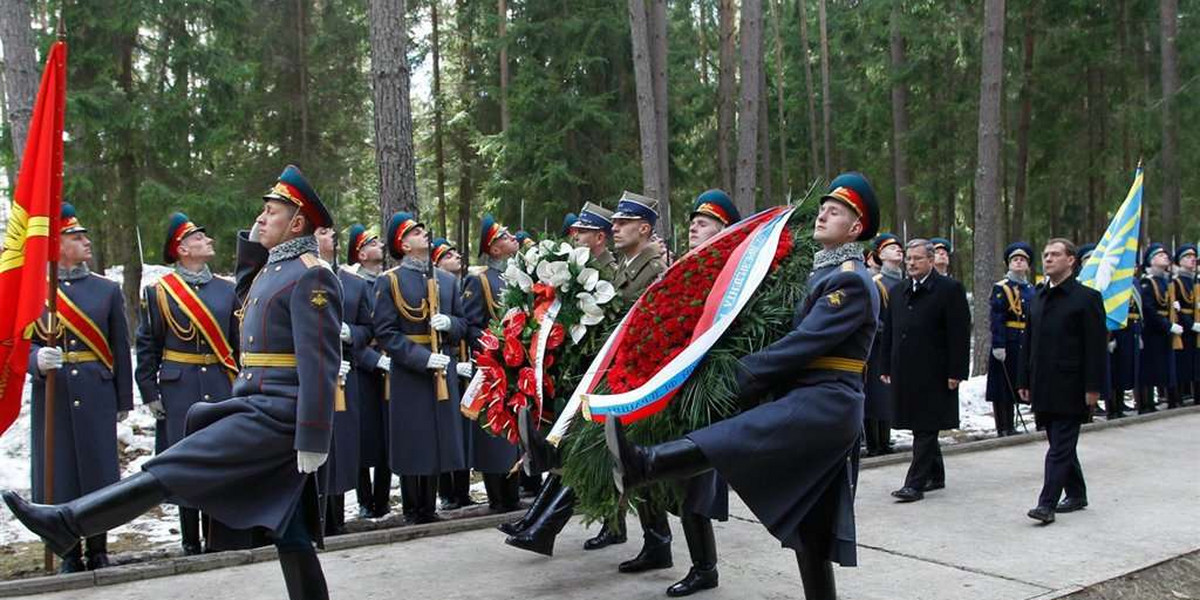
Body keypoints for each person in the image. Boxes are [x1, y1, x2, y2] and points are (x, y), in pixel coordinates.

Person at [6, 165, 342, 599]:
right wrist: (256, 242)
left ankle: (68, 523)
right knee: (290, 530)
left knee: (172, 467)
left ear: (297, 224)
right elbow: (243, 289)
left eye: (271, 212)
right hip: (253, 404)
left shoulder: (310, 274)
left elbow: (320, 361)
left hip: (278, 414)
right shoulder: (272, 269)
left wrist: (313, 435)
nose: (260, 218)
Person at [605, 172, 881, 600]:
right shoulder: (820, 275)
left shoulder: (851, 280)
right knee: (811, 529)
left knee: (734, 437)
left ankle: (645, 463)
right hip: (810, 397)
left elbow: (805, 343)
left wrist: (742, 376)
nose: (823, 214)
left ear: (857, 228)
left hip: (827, 402)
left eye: (837, 211)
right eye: (823, 207)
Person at [504, 193, 667, 557]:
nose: (616, 228)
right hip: (614, 375)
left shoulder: (653, 267)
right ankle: (652, 542)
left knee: (614, 456)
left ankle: (654, 542)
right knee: (612, 457)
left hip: (636, 379)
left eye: (623, 223)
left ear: (644, 229)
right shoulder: (630, 265)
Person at [136, 212, 258, 554]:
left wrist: (244, 383)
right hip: (180, 388)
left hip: (221, 383)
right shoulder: (159, 293)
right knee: (184, 462)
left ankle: (220, 534)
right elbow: (148, 345)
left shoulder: (226, 290)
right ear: (182, 249)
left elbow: (238, 344)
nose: (210, 242)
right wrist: (150, 391)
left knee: (221, 460)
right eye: (200, 238)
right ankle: (190, 538)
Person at [22, 204, 132, 572]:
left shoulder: (106, 290)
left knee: (98, 472)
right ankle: (68, 551)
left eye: (85, 236)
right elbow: (14, 343)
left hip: (97, 391)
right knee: (60, 472)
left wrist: (123, 398)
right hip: (52, 393)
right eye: (76, 237)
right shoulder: (34, 292)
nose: (86, 242)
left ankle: (98, 546)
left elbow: (119, 346)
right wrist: (35, 360)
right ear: (57, 244)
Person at [651, 189, 743, 597]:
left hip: (708, 389)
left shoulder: (732, 272)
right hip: (677, 384)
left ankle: (705, 568)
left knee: (696, 486)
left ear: (724, 231)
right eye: (693, 221)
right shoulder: (686, 268)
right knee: (678, 480)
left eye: (704, 223)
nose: (693, 226)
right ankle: (689, 560)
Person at [372, 212, 470, 525]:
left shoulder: (446, 280)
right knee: (414, 438)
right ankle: (413, 508)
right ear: (402, 244)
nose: (423, 235)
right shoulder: (389, 281)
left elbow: (464, 323)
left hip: (443, 363)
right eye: (415, 232)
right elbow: (386, 332)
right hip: (411, 369)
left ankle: (431, 505)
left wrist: (450, 324)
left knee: (438, 437)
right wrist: (420, 358)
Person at [1019, 239, 1106, 524]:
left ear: (1071, 260)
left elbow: (1095, 348)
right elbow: (1028, 342)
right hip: (1043, 383)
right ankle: (1077, 493)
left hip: (1072, 385)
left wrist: (1093, 388)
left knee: (1059, 448)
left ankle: (1047, 504)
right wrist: (1024, 378)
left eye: (1055, 254)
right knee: (1059, 442)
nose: (1048, 259)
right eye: (1045, 255)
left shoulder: (1087, 298)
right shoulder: (1038, 296)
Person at [881, 238, 970, 503]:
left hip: (936, 370)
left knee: (926, 425)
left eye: (917, 259)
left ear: (931, 261)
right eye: (908, 259)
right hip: (906, 369)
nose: (911, 263)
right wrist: (886, 364)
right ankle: (936, 475)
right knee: (920, 424)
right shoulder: (898, 291)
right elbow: (890, 331)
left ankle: (914, 483)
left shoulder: (949, 289)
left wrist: (957, 371)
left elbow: (959, 333)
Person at [463, 218, 523, 512]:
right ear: (495, 248)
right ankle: (498, 496)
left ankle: (515, 491)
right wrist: (495, 345)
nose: (513, 238)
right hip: (493, 363)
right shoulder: (481, 280)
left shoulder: (520, 276)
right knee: (494, 429)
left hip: (518, 362)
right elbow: (471, 324)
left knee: (515, 428)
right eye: (506, 236)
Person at [314, 227, 368, 536]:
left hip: (346, 374)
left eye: (333, 231)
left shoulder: (354, 284)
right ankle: (317, 517)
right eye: (322, 231)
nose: (331, 235)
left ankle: (337, 516)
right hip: (312, 374)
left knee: (342, 446)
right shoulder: (297, 275)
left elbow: (369, 328)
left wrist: (352, 334)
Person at [345, 224, 393, 519]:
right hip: (364, 367)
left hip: (391, 362)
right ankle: (365, 499)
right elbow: (358, 332)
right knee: (365, 436)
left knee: (388, 434)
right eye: (372, 243)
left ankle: (383, 498)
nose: (379, 245)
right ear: (361, 254)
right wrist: (371, 359)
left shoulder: (389, 282)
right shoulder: (352, 286)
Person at [431, 237, 479, 511]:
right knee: (446, 430)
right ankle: (446, 492)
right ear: (437, 263)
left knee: (464, 429)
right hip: (445, 361)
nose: (455, 256)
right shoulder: (435, 287)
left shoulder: (464, 285)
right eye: (447, 255)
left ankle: (462, 490)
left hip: (465, 364)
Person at [986, 242, 1035, 437]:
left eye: (1023, 260)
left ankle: (1012, 424)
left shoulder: (1031, 289)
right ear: (1008, 264)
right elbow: (997, 318)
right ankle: (1003, 426)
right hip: (1007, 340)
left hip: (1025, 340)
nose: (1019, 262)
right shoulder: (1002, 288)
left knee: (1017, 381)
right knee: (1002, 385)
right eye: (1015, 259)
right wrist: (999, 344)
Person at [864, 233, 903, 456]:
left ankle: (886, 439)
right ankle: (874, 443)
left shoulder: (903, 282)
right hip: (878, 348)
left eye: (899, 247)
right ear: (880, 254)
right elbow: (872, 316)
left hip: (898, 346)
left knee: (888, 395)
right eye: (891, 247)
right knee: (876, 394)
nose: (898, 250)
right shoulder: (876, 284)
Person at [1137, 243, 1179, 413]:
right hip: (1152, 332)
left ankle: (1169, 399)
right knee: (1149, 368)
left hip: (1163, 331)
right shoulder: (1148, 282)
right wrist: (1168, 326)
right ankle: (1147, 404)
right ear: (1151, 260)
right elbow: (1149, 310)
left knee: (1164, 366)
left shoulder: (1164, 280)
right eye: (1160, 255)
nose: (1166, 258)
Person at [1172, 244, 1199, 408]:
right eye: (1187, 257)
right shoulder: (1177, 282)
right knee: (1183, 363)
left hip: (1196, 326)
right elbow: (1177, 307)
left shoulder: (1195, 280)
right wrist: (1191, 324)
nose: (1192, 260)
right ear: (1180, 262)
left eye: (1193, 257)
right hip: (1184, 328)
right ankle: (1181, 396)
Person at [569, 201, 618, 276]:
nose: (575, 236)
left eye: (582, 231)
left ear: (599, 238)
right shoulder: (574, 264)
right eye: (576, 230)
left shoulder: (612, 273)